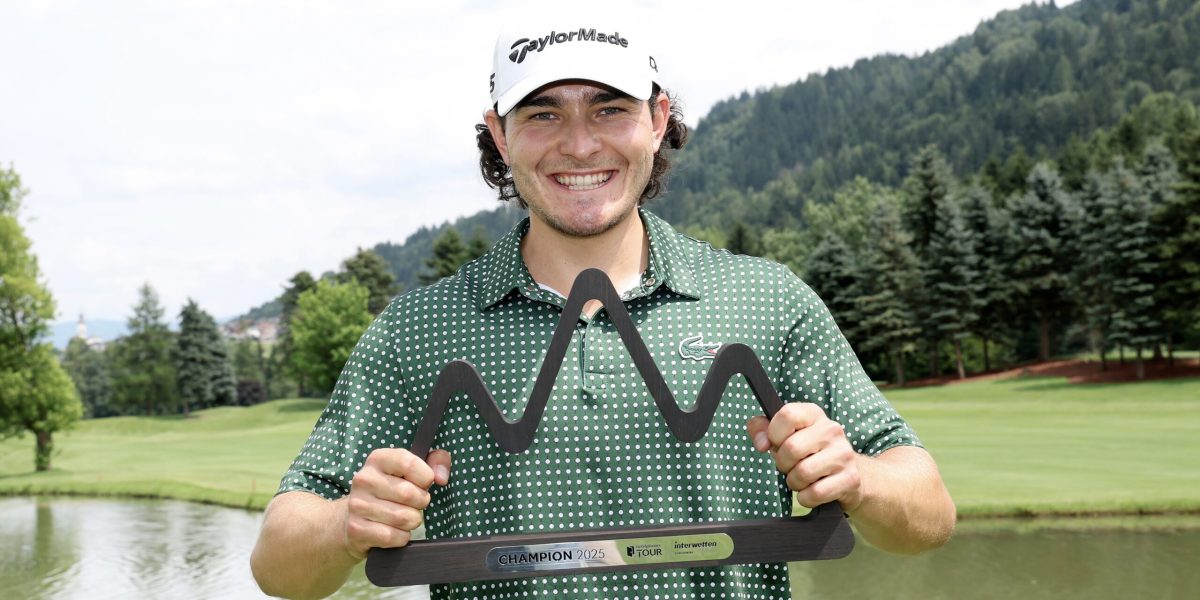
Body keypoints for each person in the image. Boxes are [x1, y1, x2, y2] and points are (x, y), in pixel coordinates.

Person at [252, 19, 955, 600]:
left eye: (609, 108)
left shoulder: (767, 300)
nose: (580, 143)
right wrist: (350, 520)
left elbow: (926, 517)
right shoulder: (418, 329)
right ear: (499, 134)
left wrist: (856, 479)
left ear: (658, 119)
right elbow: (278, 565)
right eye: (543, 113)